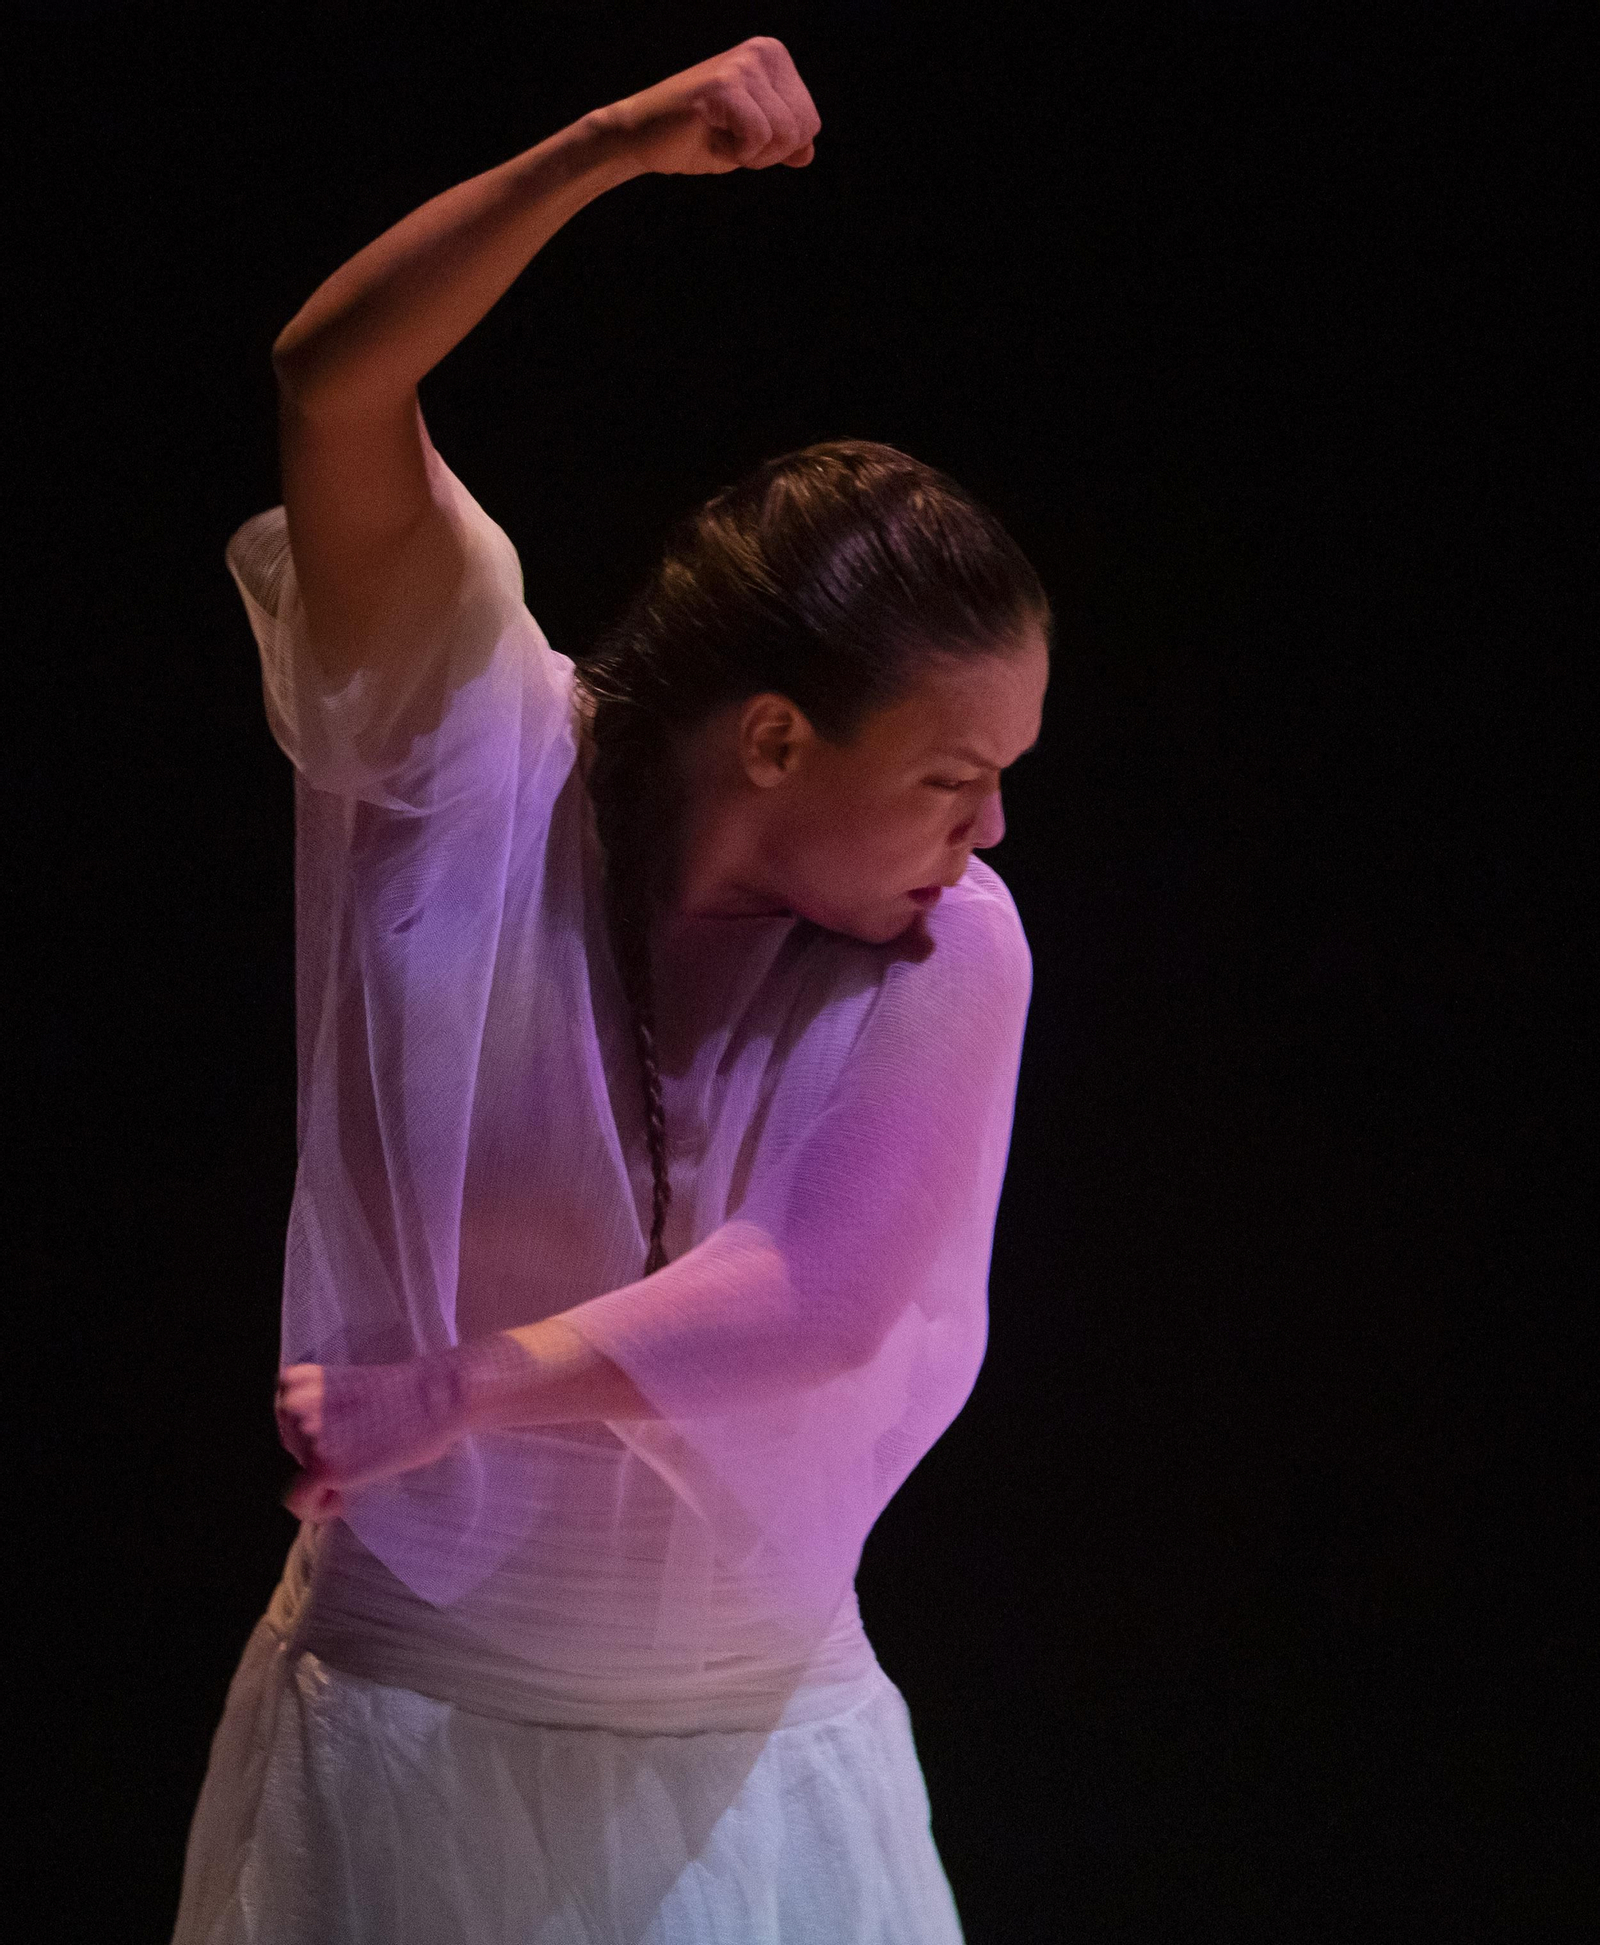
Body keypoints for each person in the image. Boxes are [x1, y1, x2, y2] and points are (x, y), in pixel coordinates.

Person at [172, 34, 1051, 1945]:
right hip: (411, 1745)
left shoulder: (948, 943)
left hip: (748, 1777)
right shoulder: (463, 754)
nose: (987, 829)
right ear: (773, 739)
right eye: (949, 773)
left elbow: (813, 1294)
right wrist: (614, 144)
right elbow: (332, 382)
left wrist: (448, 1392)